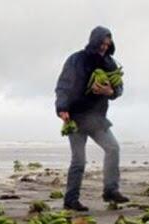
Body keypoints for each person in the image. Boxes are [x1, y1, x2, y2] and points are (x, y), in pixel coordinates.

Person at [55, 26, 129, 211]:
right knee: (79, 160)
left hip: (96, 118)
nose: (104, 47)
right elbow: (63, 85)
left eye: (107, 44)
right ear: (93, 41)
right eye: (101, 43)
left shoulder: (110, 63)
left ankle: (110, 190)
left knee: (113, 148)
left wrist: (110, 91)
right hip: (76, 117)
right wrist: (62, 108)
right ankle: (71, 200)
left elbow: (119, 89)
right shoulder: (76, 59)